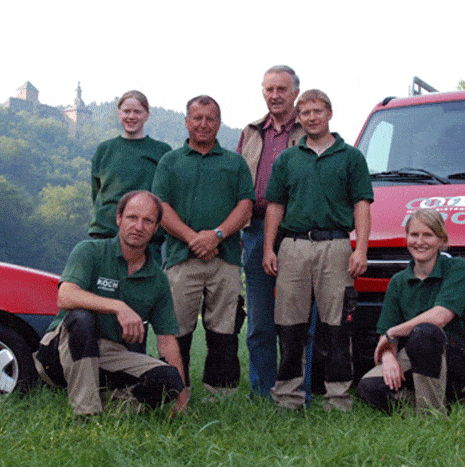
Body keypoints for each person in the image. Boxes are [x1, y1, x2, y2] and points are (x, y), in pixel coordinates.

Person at [263, 89, 373, 411]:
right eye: (306, 112)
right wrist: (269, 248)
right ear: (299, 117)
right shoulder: (286, 159)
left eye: (318, 111)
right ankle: (288, 397)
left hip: (336, 245)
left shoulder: (351, 157)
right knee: (289, 325)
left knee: (337, 326)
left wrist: (361, 249)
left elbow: (362, 205)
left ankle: (337, 397)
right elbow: (275, 206)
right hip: (293, 247)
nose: (312, 117)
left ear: (329, 114)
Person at [34, 190, 188, 417]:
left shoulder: (157, 279)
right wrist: (118, 306)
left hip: (110, 355)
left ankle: (111, 406)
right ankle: (86, 414)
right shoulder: (90, 251)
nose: (139, 226)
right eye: (132, 218)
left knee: (169, 379)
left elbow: (167, 342)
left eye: (148, 221)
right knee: (82, 318)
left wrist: (181, 398)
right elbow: (65, 296)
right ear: (118, 219)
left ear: (156, 228)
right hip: (60, 351)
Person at [152, 95, 255, 396]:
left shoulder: (234, 163)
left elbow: (245, 205)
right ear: (186, 122)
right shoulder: (170, 162)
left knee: (224, 330)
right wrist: (194, 239)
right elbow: (161, 207)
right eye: (197, 118)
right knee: (177, 329)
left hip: (226, 258)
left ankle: (221, 394)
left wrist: (217, 235)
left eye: (210, 119)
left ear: (219, 124)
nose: (203, 124)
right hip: (181, 258)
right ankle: (175, 390)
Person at [356, 208, 465, 415]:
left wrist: (394, 332)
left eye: (428, 235)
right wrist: (389, 358)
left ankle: (431, 418)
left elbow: (440, 317)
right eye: (414, 234)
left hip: (459, 364)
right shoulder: (398, 281)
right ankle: (431, 407)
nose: (420, 241)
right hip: (417, 359)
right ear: (406, 238)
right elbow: (386, 333)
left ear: (441, 240)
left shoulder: (457, 268)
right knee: (369, 387)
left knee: (425, 333)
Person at [237, 65, 305, 398]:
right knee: (260, 319)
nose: (274, 95)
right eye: (268, 89)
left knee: (298, 319)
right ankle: (262, 391)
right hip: (255, 230)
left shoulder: (311, 128)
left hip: (297, 232)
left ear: (295, 92)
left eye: (281, 89)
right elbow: (238, 181)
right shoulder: (251, 132)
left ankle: (298, 389)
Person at [88, 90, 171, 352]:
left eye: (137, 111)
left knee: (138, 309)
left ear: (146, 115)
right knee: (99, 306)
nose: (131, 116)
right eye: (126, 111)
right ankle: (96, 369)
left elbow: (165, 197)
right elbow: (97, 193)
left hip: (146, 243)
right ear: (118, 114)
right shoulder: (105, 150)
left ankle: (134, 370)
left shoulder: (161, 151)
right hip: (106, 238)